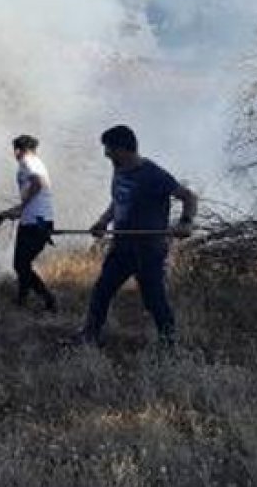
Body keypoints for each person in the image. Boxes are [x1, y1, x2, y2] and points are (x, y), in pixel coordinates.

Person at [75, 125, 197, 347]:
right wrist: (103, 221)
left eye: (109, 149)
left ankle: (169, 345)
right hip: (122, 246)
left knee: (154, 299)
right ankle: (89, 337)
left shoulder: (153, 174)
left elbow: (189, 197)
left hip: (148, 249)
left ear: (123, 149)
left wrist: (185, 223)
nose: (106, 154)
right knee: (102, 291)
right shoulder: (119, 170)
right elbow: (118, 201)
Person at [2, 135, 58, 312]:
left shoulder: (29, 161)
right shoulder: (33, 162)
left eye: (15, 150)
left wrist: (21, 207)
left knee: (21, 264)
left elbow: (38, 183)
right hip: (32, 220)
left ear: (19, 149)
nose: (14, 154)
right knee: (21, 263)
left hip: (37, 222)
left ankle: (48, 300)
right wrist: (18, 210)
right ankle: (22, 300)